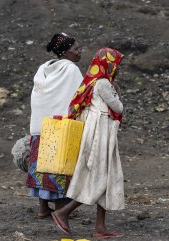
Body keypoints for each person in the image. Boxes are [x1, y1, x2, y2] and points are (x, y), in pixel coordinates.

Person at [51, 48, 125, 239]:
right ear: (107, 64)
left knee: (105, 177)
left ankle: (100, 227)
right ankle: (63, 212)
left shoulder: (92, 82)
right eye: (115, 64)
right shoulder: (102, 84)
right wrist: (118, 93)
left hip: (98, 134)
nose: (117, 68)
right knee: (99, 178)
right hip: (101, 136)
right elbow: (118, 107)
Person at [26, 33, 83, 218]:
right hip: (60, 127)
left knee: (42, 167)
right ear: (65, 52)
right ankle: (60, 209)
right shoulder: (71, 69)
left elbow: (39, 96)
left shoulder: (43, 68)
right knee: (59, 167)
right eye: (76, 48)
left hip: (40, 126)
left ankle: (43, 208)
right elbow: (79, 97)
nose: (79, 51)